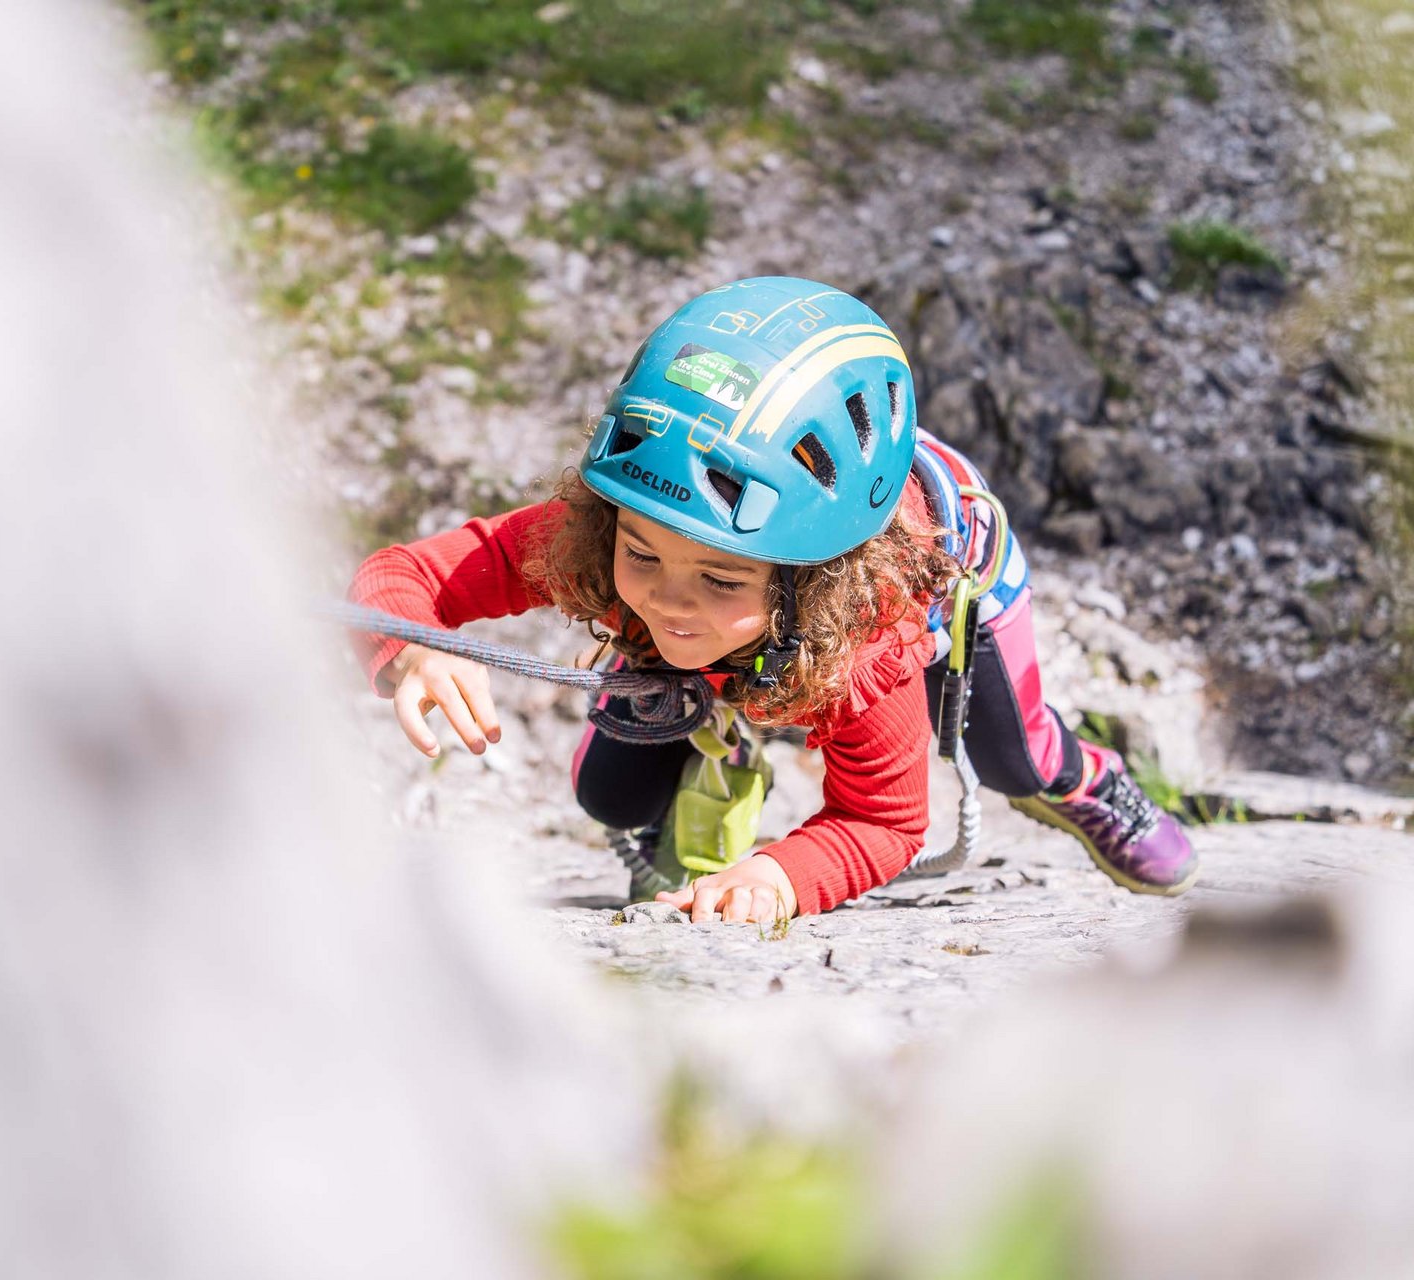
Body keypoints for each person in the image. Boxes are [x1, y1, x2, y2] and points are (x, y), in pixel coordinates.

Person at [347, 277, 1198, 925]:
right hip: (773, 618)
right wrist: (415, 647)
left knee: (1016, 757)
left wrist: (783, 875)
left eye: (718, 578)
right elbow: (399, 579)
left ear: (811, 579)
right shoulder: (618, 525)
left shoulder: (872, 633)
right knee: (614, 787)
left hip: (953, 575)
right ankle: (693, 786)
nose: (668, 602)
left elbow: (886, 822)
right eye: (641, 556)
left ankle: (1088, 778)